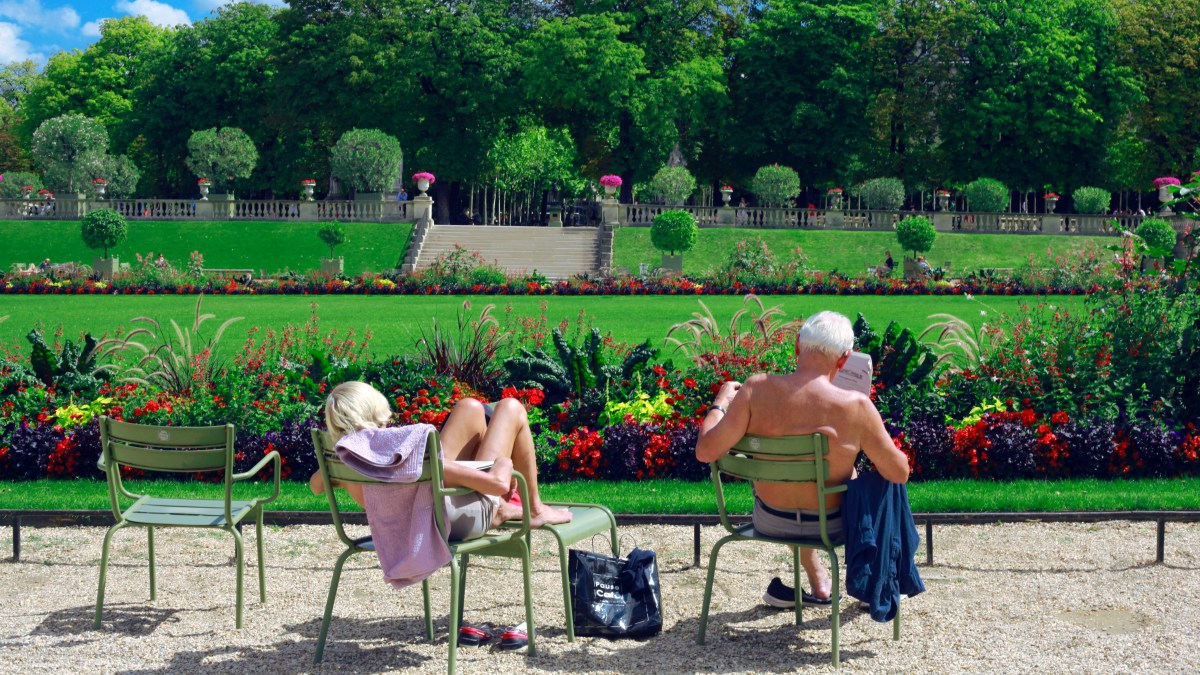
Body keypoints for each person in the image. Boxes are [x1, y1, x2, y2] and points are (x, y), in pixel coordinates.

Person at [695, 311, 910, 606]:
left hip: (769, 519)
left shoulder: (755, 389)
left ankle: (819, 581)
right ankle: (874, 580)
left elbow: (705, 450)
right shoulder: (856, 406)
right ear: (844, 359)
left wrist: (720, 403)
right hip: (830, 526)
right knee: (873, 482)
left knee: (805, 477)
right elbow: (899, 472)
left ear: (797, 345)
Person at [310, 382, 572, 539]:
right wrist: (505, 466)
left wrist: (337, 458)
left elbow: (315, 486)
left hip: (427, 512)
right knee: (511, 408)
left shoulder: (347, 462)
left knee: (469, 407)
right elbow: (496, 484)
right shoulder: (397, 455)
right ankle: (533, 509)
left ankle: (503, 510)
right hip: (448, 520)